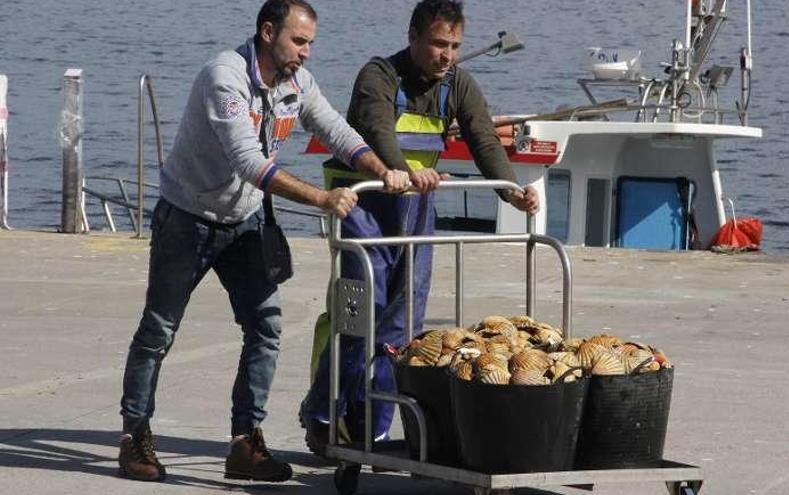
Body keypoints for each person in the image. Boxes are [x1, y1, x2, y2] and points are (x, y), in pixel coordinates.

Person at [117, 0, 408, 483]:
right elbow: (248, 161)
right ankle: (134, 437)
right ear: (268, 32)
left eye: (311, 42)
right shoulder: (224, 78)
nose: (306, 52)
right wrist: (321, 197)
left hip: (244, 220)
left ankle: (244, 441)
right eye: (299, 41)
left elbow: (335, 129)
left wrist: (383, 170)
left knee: (266, 325)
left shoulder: (296, 82)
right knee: (159, 330)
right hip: (187, 217)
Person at [299, 0, 540, 455]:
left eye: (454, 46)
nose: (446, 55)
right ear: (413, 37)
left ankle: (374, 422)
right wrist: (400, 170)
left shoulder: (458, 85)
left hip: (415, 209)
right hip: (363, 204)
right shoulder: (379, 75)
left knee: (404, 324)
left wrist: (512, 191)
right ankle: (325, 413)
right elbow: (377, 129)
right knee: (360, 316)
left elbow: (483, 138)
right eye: (437, 44)